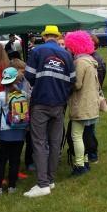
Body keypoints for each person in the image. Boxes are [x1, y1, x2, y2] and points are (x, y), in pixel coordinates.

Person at [23, 25, 75, 198]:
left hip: (40, 102)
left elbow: (29, 76)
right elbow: (72, 81)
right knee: (54, 142)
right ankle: (50, 180)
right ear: (57, 36)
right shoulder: (67, 55)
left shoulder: (38, 51)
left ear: (45, 36)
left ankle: (43, 183)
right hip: (59, 104)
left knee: (39, 142)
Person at [64, 31, 101, 176]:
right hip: (91, 104)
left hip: (82, 105)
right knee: (84, 135)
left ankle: (79, 165)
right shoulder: (90, 61)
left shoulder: (79, 62)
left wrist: (67, 84)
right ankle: (84, 161)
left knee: (76, 136)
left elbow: (77, 84)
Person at [0, 67, 29, 196]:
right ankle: (12, 186)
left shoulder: (1, 96)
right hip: (19, 131)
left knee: (1, 160)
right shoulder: (24, 94)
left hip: (4, 133)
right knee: (15, 160)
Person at [87, 35, 105, 163]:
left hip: (90, 98)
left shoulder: (94, 59)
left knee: (89, 128)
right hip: (93, 96)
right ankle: (91, 153)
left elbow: (96, 81)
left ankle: (92, 154)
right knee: (90, 128)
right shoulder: (96, 57)